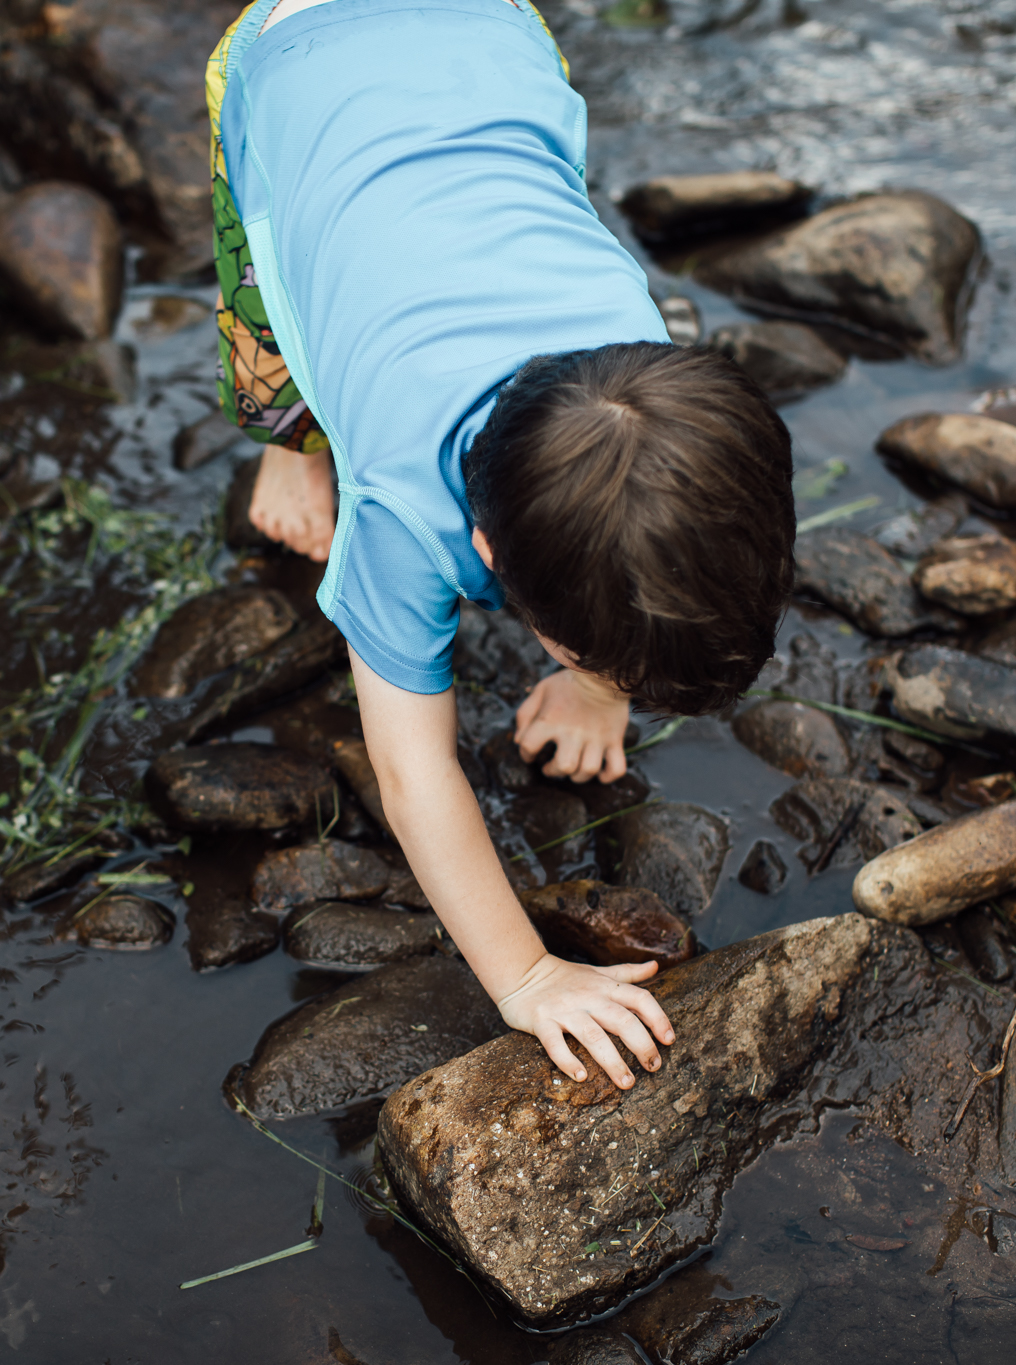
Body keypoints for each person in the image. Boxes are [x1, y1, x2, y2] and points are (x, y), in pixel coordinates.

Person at [205, 0, 796, 1088]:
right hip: (292, 73)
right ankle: (284, 449)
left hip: (490, 40)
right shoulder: (397, 518)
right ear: (478, 550)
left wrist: (596, 686)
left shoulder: (649, 382)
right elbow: (408, 763)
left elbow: (644, 549)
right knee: (266, 302)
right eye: (591, 656)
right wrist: (526, 978)